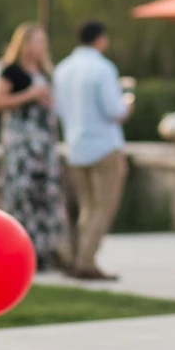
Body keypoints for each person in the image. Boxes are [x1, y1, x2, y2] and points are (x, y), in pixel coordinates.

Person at [54, 20, 132, 281]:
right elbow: (114, 110)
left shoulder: (63, 69)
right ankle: (86, 261)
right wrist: (128, 104)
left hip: (75, 145)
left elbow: (60, 109)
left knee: (87, 206)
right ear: (100, 39)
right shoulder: (102, 68)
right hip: (104, 146)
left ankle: (77, 257)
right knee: (104, 206)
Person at [0, 22, 66, 271]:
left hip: (44, 145)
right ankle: (20, 250)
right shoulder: (11, 71)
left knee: (46, 195)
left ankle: (47, 251)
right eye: (38, 41)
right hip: (22, 145)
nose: (43, 46)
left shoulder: (45, 71)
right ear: (25, 44)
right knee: (23, 196)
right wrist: (30, 95)